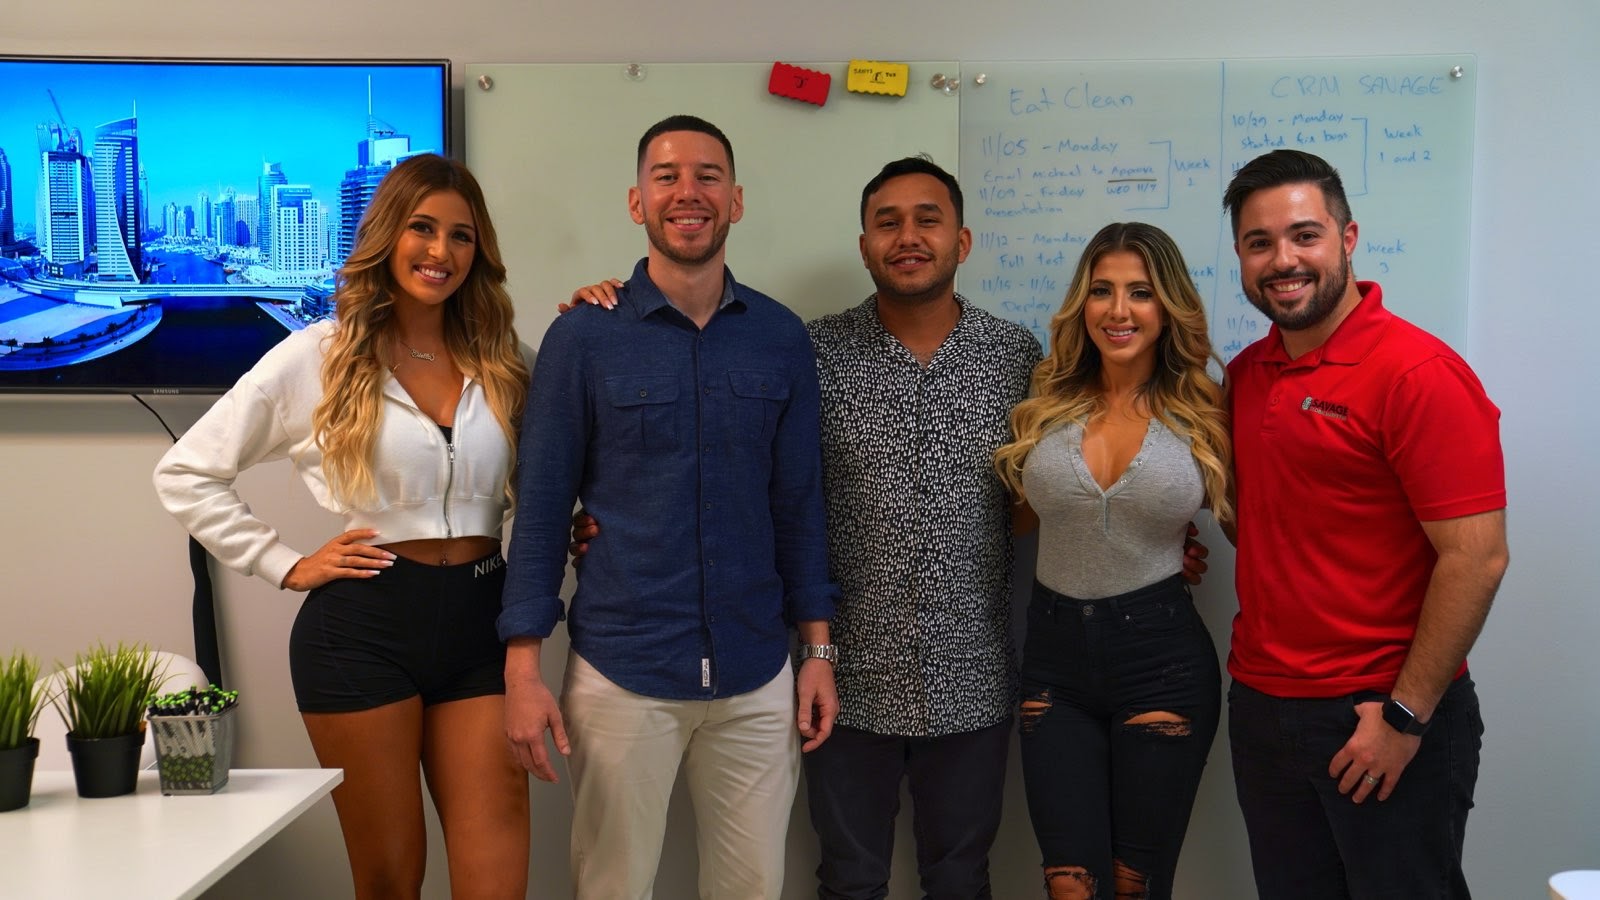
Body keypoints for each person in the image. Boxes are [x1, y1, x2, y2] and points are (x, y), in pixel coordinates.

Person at [567, 161, 1212, 900]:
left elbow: (1052, 486)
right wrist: (617, 505)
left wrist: (1153, 538)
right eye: (888, 222)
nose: (908, 237)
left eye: (928, 220)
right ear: (865, 246)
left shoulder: (1017, 359)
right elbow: (745, 470)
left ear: (961, 241)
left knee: (961, 879)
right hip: (843, 676)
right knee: (849, 879)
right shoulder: (810, 350)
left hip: (973, 675)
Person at [153, 154, 532, 899]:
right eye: (422, 228)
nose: (441, 250)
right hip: (363, 632)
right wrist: (283, 562)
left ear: (478, 252)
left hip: (484, 624)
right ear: (387, 235)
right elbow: (186, 471)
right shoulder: (319, 355)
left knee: (496, 882)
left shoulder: (505, 360)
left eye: (461, 235)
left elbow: (570, 464)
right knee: (388, 878)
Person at [497, 114, 839, 900]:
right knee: (611, 887)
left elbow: (799, 505)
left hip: (756, 671)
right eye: (667, 176)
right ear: (636, 202)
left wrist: (817, 654)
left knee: (752, 888)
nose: (688, 192)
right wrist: (522, 668)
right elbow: (542, 510)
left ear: (736, 200)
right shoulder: (583, 338)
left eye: (708, 176)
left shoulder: (780, 337)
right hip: (624, 669)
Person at [1221, 149, 1509, 899]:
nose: (1283, 260)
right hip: (1262, 711)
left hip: (1378, 712)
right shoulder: (1246, 375)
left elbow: (1477, 559)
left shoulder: (1418, 374)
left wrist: (1405, 718)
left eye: (1305, 235)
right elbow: (1265, 523)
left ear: (1347, 239)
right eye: (1259, 242)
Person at [992, 222, 1230, 900]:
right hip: (1054, 662)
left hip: (1163, 660)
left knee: (1136, 887)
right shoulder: (1044, 400)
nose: (1119, 310)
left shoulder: (1206, 407)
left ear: (1169, 306)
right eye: (1102, 290)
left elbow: (1254, 529)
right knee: (1071, 886)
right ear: (1082, 302)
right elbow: (1020, 521)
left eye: (1141, 292)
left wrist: (1176, 545)